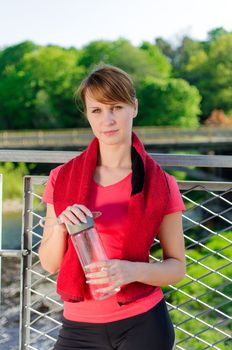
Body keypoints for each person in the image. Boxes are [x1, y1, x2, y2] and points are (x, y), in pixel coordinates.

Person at [39, 64, 186, 350]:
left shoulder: (161, 183)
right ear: (87, 116)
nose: (108, 120)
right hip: (77, 328)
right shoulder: (61, 178)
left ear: (134, 107)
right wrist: (60, 226)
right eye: (96, 110)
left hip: (143, 324)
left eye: (116, 107)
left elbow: (176, 267)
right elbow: (50, 263)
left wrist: (130, 272)